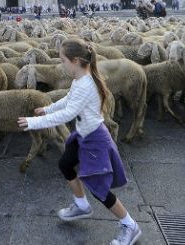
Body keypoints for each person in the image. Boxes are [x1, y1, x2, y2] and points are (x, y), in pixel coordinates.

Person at [17, 39, 142, 245]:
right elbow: (68, 100)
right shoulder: (80, 79)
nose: (61, 64)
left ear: (75, 61)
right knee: (65, 164)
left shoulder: (86, 84)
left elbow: (68, 114)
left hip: (95, 140)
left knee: (98, 187)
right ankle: (82, 205)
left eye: (63, 60)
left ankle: (129, 224)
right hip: (84, 135)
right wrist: (47, 108)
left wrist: (33, 122)